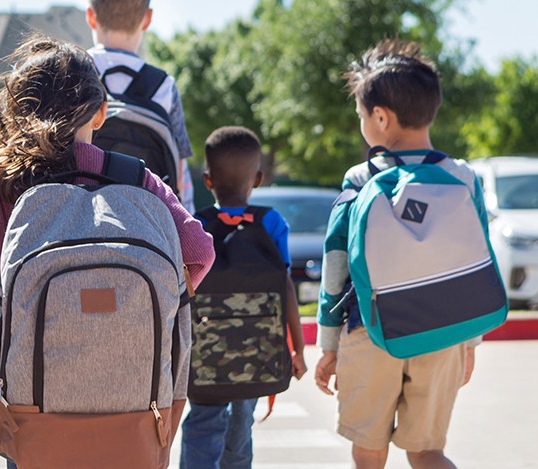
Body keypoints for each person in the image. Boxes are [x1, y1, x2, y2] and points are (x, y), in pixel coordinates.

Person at [0, 35, 215, 468]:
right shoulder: (138, 180)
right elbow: (199, 252)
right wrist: (143, 306)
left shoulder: (6, 182)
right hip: (135, 397)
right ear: (101, 111)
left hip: (34, 402)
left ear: (19, 113)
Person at [314, 39, 480, 469]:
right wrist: (470, 341)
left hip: (370, 327)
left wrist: (329, 343)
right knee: (427, 450)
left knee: (369, 449)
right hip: (443, 332)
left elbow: (336, 263)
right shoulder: (462, 177)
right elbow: (477, 261)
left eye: (361, 117)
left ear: (381, 118)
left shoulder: (360, 178)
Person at [179, 126, 307, 469]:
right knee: (241, 426)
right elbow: (286, 288)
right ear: (259, 178)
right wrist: (298, 349)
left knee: (202, 423)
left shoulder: (195, 225)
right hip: (258, 353)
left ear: (207, 180)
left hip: (205, 358)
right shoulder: (272, 223)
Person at [85, 0, 195, 211]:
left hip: (76, 233)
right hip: (150, 236)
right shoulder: (163, 86)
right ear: (147, 18)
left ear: (91, 16)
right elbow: (181, 180)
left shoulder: (70, 73)